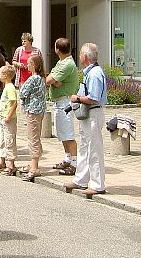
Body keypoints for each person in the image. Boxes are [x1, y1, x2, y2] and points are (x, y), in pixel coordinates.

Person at [65, 43, 108, 196]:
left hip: (93, 113)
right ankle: (81, 180)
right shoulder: (90, 72)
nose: (79, 57)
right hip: (88, 115)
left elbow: (94, 98)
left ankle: (97, 185)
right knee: (84, 147)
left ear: (85, 57)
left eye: (81, 55)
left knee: (94, 149)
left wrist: (77, 98)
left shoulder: (95, 73)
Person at [46, 37, 80, 175]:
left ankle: (75, 164)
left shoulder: (67, 64)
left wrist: (54, 81)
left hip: (65, 102)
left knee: (68, 134)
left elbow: (48, 79)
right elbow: (52, 79)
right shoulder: (62, 62)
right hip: (59, 101)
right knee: (62, 133)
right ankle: (67, 158)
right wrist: (55, 81)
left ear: (57, 50)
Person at [19, 54, 47, 181]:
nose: (27, 65)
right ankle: (33, 162)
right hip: (39, 110)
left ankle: (34, 167)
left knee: (33, 138)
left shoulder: (33, 79)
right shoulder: (41, 78)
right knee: (35, 136)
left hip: (33, 110)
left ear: (35, 65)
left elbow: (22, 92)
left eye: (29, 63)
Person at [0, 65, 18, 175]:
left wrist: (9, 116)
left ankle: (11, 164)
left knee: (9, 140)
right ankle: (2, 161)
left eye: (1, 74)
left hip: (8, 118)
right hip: (2, 116)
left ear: (5, 75)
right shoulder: (6, 87)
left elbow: (14, 103)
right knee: (2, 140)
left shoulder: (10, 88)